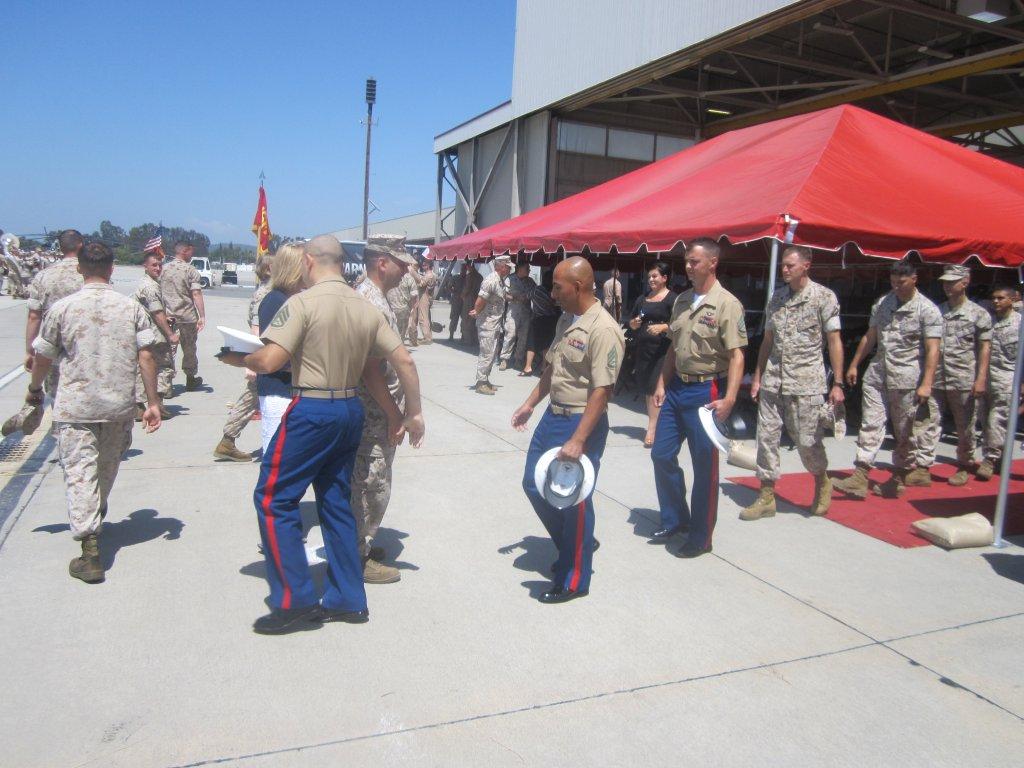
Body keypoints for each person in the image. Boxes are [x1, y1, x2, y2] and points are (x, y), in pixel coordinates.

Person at [217, 235, 425, 635]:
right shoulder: (365, 307)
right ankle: (348, 597)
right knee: (335, 502)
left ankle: (293, 600)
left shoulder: (302, 303)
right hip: (350, 410)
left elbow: (271, 359)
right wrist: (413, 413)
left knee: (274, 498)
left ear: (309, 261)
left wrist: (239, 358)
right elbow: (403, 361)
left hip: (310, 408)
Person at [26, 242, 162, 584]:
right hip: (118, 406)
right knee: (104, 468)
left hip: (76, 406)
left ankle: (89, 547)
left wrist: (34, 390)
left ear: (80, 269)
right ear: (112, 269)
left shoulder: (62, 309)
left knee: (79, 471)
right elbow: (147, 355)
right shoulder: (130, 308)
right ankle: (92, 517)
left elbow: (43, 356)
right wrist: (152, 401)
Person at [511, 256, 624, 603]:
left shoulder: (603, 330)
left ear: (577, 287)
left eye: (558, 286)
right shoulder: (567, 319)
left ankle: (575, 580)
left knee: (573, 501)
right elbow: (553, 368)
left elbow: (602, 392)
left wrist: (578, 439)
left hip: (580, 421)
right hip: (552, 415)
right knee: (534, 483)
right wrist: (530, 403)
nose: (552, 292)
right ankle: (577, 543)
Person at [650, 238, 747, 557]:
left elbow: (736, 356)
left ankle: (701, 537)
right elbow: (672, 348)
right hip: (677, 388)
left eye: (694, 261)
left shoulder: (726, 304)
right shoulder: (681, 301)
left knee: (705, 468)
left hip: (707, 391)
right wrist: (663, 383)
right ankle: (675, 518)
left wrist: (730, 399)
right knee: (661, 455)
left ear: (712, 263)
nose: (688, 266)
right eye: (687, 261)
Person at [744, 246, 844, 520]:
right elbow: (767, 340)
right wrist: (758, 375)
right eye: (783, 266)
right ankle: (766, 495)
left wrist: (838, 383)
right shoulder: (776, 298)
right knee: (766, 438)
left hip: (806, 382)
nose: (784, 270)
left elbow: (834, 341)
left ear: (806, 265)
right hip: (773, 380)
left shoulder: (824, 297)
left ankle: (822, 480)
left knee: (807, 441)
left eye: (790, 265)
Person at [835, 260, 942, 499]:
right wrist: (854, 364)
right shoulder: (883, 303)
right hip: (878, 374)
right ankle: (860, 474)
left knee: (905, 430)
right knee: (871, 423)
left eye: (901, 283)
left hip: (907, 379)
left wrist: (926, 383)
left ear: (914, 279)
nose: (896, 287)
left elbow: (933, 349)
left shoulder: (927, 310)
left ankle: (899, 476)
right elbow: (870, 335)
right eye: (893, 282)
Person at [354, 235, 419, 585]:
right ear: (382, 262)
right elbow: (371, 369)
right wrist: (397, 414)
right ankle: (356, 557)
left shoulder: (374, 297)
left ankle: (359, 545)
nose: (406, 269)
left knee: (368, 481)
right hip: (374, 415)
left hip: (376, 413)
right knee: (370, 484)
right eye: (400, 262)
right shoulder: (372, 302)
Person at [920, 265, 992, 486]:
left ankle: (965, 463)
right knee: (929, 422)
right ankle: (923, 466)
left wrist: (981, 378)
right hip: (937, 377)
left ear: (965, 282)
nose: (947, 286)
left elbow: (985, 349)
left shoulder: (979, 314)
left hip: (963, 378)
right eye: (945, 282)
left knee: (965, 426)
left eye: (952, 281)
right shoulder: (936, 311)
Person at [213, 251, 276, 461]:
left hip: (266, 353)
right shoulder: (266, 293)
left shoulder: (266, 291)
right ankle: (227, 439)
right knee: (251, 398)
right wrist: (253, 363)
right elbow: (257, 329)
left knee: (255, 398)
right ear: (269, 269)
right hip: (263, 354)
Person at [250, 244, 304, 453]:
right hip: (278, 391)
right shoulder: (276, 301)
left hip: (289, 390)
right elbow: (276, 355)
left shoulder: (289, 299)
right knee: (277, 459)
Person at [24, 229, 84, 389]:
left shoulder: (43, 276)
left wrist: (30, 351)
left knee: (56, 399)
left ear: (61, 248)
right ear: (81, 245)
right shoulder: (89, 273)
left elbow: (34, 317)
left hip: (54, 349)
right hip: (85, 349)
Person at [627, 263, 677, 447]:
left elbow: (680, 324)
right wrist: (635, 323)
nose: (651, 280)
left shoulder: (672, 299)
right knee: (647, 389)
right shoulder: (643, 299)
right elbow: (631, 322)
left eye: (655, 276)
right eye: (649, 277)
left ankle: (652, 429)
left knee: (655, 388)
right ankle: (656, 425)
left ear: (665, 278)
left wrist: (663, 326)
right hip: (643, 350)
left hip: (663, 352)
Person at [979, 286, 1022, 480]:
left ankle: (990, 459)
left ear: (1013, 299)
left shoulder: (1020, 324)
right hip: (986, 378)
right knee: (986, 420)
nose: (996, 301)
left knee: (996, 420)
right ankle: (1001, 457)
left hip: (1008, 379)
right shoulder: (989, 321)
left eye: (1001, 298)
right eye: (994, 298)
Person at [133, 252, 178, 419]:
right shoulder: (150, 287)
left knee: (141, 368)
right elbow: (156, 311)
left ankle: (138, 406)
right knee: (164, 368)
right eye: (154, 265)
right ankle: (158, 405)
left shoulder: (147, 283)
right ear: (145, 266)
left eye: (160, 265)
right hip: (155, 335)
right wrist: (170, 333)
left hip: (145, 331)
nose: (158, 268)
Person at [159, 241, 206, 392]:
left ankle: (166, 386)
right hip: (187, 317)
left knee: (168, 351)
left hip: (168, 318)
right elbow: (196, 293)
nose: (192, 255)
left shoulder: (163, 269)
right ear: (185, 251)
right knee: (189, 349)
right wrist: (202, 316)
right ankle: (190, 379)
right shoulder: (191, 271)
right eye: (191, 251)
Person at [469, 255, 515, 394]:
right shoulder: (491, 280)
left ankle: (485, 379)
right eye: (507, 266)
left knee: (492, 352)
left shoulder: (500, 281)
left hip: (495, 322)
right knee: (487, 353)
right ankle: (481, 382)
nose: (509, 269)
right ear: (501, 266)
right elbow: (481, 299)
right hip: (487, 323)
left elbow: (500, 296)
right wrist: (476, 311)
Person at [523, 269, 558, 377]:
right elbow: (557, 304)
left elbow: (527, 297)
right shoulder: (553, 292)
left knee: (531, 344)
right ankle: (543, 367)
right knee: (547, 345)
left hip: (537, 319)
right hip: (550, 320)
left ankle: (527, 367)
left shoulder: (537, 290)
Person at [502, 261, 536, 371]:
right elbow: (504, 294)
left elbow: (534, 293)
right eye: (527, 268)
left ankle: (518, 360)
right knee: (510, 335)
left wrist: (526, 298)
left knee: (523, 337)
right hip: (513, 312)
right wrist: (516, 298)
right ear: (520, 269)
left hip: (525, 313)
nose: (529, 271)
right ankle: (504, 359)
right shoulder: (510, 279)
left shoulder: (530, 282)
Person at [388, 264, 419, 344]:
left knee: (388, 335)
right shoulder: (409, 278)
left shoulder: (388, 275)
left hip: (388, 309)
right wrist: (412, 310)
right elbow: (414, 295)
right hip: (403, 310)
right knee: (400, 336)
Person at [409, 259, 438, 345]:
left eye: (425, 264)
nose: (423, 265)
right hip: (424, 296)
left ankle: (427, 338)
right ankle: (428, 336)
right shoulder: (430, 275)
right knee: (425, 317)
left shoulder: (429, 275)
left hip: (424, 297)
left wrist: (414, 274)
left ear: (428, 265)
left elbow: (421, 284)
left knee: (423, 317)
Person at [460, 263, 483, 346]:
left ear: (470, 267)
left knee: (466, 319)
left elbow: (467, 288)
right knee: (475, 319)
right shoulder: (480, 276)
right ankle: (475, 339)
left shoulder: (469, 276)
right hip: (478, 298)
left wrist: (462, 295)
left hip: (469, 299)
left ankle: (467, 340)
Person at [448, 264, 466, 339]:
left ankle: (463, 335)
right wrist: (454, 292)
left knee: (464, 319)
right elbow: (449, 286)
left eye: (465, 269)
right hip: (456, 300)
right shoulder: (455, 277)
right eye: (463, 269)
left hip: (464, 301)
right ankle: (451, 335)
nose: (463, 270)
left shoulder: (468, 278)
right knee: (454, 318)